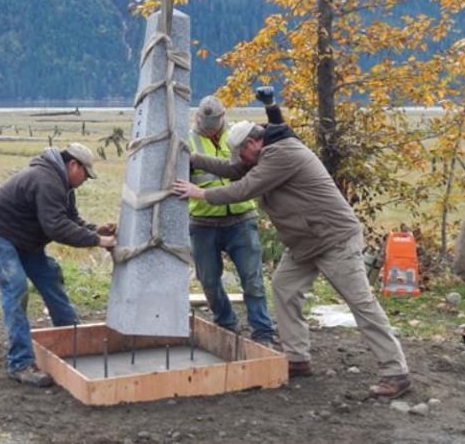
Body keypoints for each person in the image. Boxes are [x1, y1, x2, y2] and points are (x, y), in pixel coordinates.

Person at [172, 90, 412, 398]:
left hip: (333, 238)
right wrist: (192, 159)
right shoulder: (263, 152)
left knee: (360, 303)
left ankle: (395, 371)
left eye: (241, 155)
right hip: (305, 243)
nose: (240, 161)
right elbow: (234, 170)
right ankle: (297, 358)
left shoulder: (281, 154)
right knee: (284, 288)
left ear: (252, 144)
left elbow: (245, 187)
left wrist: (201, 193)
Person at [0, 142, 116, 387]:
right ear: (73, 165)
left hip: (23, 237)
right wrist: (99, 240)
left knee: (50, 276)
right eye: (85, 174)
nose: (85, 180)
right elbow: (56, 227)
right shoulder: (47, 180)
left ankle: (72, 339)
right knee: (16, 288)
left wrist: (94, 229)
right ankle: (20, 363)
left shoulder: (63, 185)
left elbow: (70, 220)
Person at [187, 95, 276, 344]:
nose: (210, 129)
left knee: (252, 279)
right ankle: (225, 324)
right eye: (206, 124)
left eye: (214, 124)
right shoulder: (186, 141)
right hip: (203, 220)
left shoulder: (239, 137)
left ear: (223, 117)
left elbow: (241, 170)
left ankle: (263, 332)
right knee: (209, 280)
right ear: (198, 119)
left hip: (240, 217)